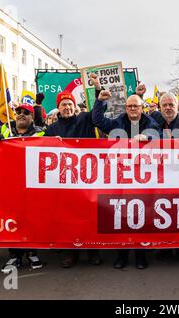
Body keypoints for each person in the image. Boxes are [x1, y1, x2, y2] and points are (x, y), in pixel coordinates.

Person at [92, 90, 161, 269]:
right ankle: (122, 254)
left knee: (140, 215)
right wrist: (99, 101)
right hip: (121, 176)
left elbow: (159, 134)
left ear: (141, 107)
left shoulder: (149, 121)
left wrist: (148, 137)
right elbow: (98, 121)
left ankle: (140, 255)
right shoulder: (119, 121)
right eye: (129, 106)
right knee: (121, 215)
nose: (132, 109)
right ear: (125, 108)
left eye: (135, 106)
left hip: (141, 177)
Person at [45, 78, 103, 268]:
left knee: (90, 214)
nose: (67, 107)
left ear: (74, 106)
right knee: (68, 216)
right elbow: (42, 149)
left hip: (88, 175)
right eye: (64, 105)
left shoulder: (85, 118)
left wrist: (97, 89)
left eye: (70, 104)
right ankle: (71, 252)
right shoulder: (52, 129)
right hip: (65, 180)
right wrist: (52, 143)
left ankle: (93, 252)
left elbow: (97, 112)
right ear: (59, 108)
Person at [0, 104, 45, 273]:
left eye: (26, 113)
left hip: (32, 183)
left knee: (31, 218)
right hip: (8, 184)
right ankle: (14, 255)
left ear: (32, 117)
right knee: (12, 220)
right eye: (18, 112)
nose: (21, 115)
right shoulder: (5, 129)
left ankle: (32, 252)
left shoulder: (42, 132)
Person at [151, 92, 179, 263]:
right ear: (160, 107)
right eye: (164, 105)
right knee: (162, 210)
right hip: (160, 174)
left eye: (171, 105)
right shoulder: (154, 123)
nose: (168, 108)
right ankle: (165, 247)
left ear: (177, 106)